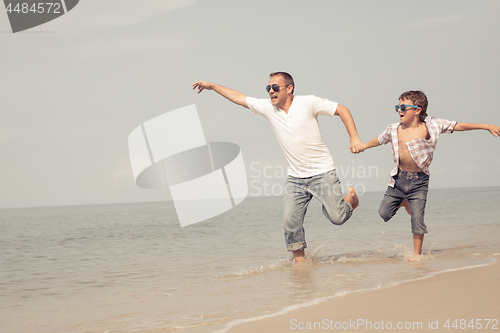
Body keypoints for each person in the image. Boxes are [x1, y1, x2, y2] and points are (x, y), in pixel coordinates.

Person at [193, 72, 362, 263]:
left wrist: (354, 137)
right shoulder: (268, 108)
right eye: (268, 88)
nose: (271, 91)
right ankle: (301, 264)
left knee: (338, 218)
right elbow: (239, 98)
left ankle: (350, 200)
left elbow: (343, 109)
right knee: (291, 223)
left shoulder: (308, 102)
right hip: (295, 177)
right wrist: (212, 86)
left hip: (322, 172)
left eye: (275, 87)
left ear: (289, 89)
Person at [351, 90, 500, 256]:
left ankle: (417, 255)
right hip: (398, 180)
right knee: (384, 213)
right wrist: (362, 146)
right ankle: (404, 202)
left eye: (403, 107)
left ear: (417, 109)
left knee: (417, 219)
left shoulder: (432, 125)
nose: (399, 110)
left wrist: (487, 126)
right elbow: (379, 140)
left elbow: (459, 126)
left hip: (419, 182)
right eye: (397, 107)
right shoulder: (394, 129)